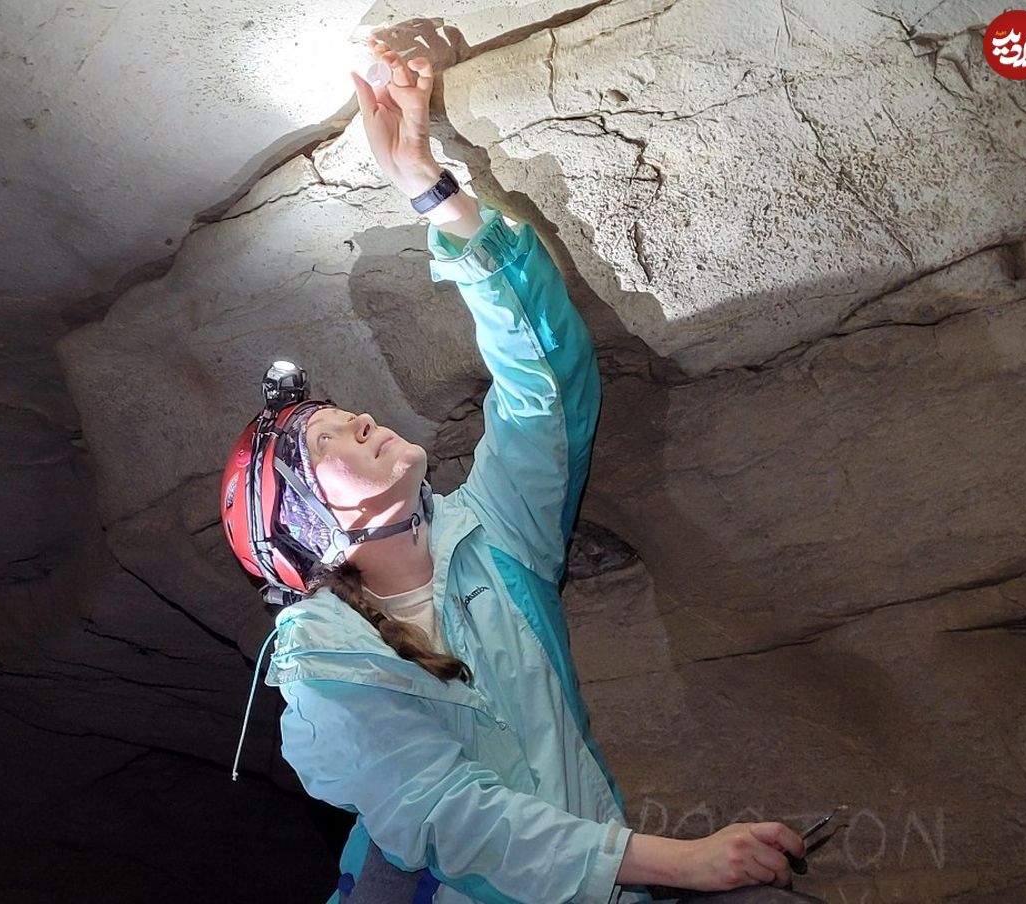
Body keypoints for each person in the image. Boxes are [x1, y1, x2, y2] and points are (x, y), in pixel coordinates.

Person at [220, 35, 828, 904]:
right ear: (315, 529)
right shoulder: (322, 650)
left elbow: (545, 386)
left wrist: (432, 192)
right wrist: (677, 862)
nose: (356, 420)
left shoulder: (492, 539)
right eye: (323, 445)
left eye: (339, 415)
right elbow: (450, 814)